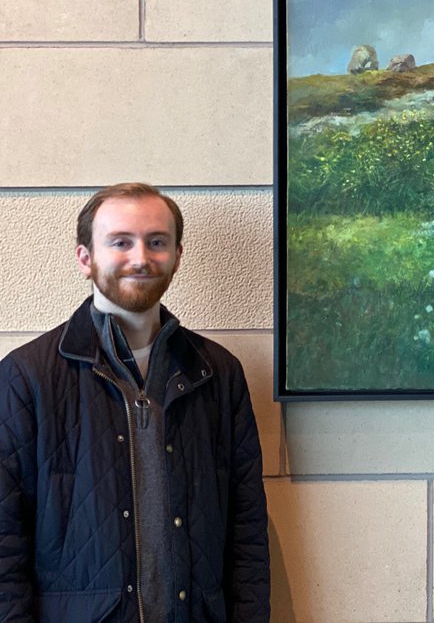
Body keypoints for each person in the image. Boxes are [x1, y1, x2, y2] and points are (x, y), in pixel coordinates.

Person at [0, 183, 270, 622]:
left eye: (157, 242)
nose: (141, 257)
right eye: (121, 242)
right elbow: (4, 540)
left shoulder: (219, 373)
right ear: (85, 258)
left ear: (178, 256)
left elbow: (247, 531)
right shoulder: (26, 376)